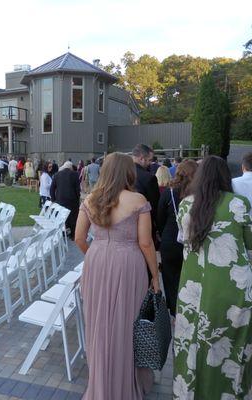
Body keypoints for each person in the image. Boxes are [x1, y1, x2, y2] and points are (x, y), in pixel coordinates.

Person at [173, 156, 252, 399]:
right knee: (233, 348)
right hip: (236, 288)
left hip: (194, 289)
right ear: (227, 176)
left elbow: (185, 242)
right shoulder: (239, 204)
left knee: (192, 345)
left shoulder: (185, 205)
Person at [75, 152, 160, 400]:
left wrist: (96, 256)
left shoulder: (91, 199)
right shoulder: (138, 200)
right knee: (127, 322)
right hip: (128, 263)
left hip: (97, 261)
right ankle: (123, 383)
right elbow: (146, 243)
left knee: (98, 322)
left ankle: (101, 382)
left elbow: (79, 238)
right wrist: (155, 276)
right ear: (128, 172)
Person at [156, 160, 197, 317]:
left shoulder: (170, 192)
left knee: (170, 277)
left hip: (170, 239)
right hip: (192, 240)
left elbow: (160, 217)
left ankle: (174, 311)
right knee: (189, 277)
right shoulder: (199, 193)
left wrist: (162, 233)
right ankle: (189, 308)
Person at [132, 144, 160, 242]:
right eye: (149, 160)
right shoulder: (149, 178)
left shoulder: (122, 174)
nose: (150, 163)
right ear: (141, 158)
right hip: (144, 224)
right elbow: (155, 205)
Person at [50, 161, 80, 239]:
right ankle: (73, 235)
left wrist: (53, 200)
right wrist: (78, 198)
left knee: (62, 217)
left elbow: (52, 188)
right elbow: (77, 189)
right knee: (73, 217)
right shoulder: (75, 174)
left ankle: (63, 232)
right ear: (71, 167)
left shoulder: (57, 174)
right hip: (72, 200)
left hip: (60, 200)